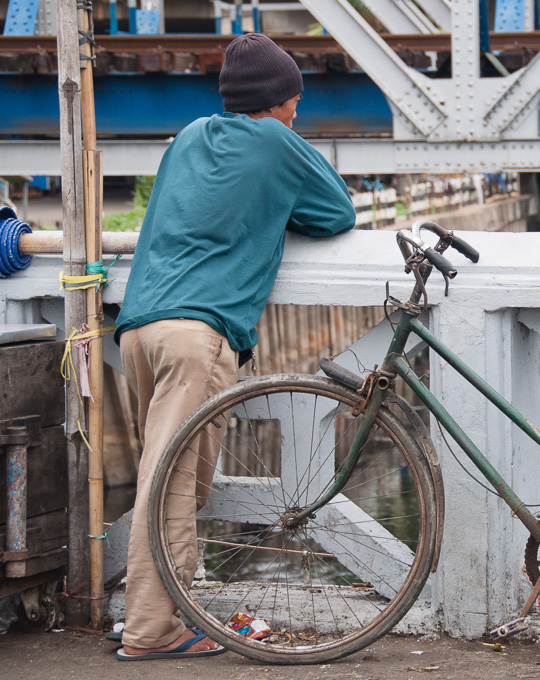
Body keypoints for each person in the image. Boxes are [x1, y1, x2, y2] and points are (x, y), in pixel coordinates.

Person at [112, 33, 356, 661]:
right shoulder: (276, 140)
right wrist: (282, 199)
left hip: (140, 327)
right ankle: (149, 631)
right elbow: (337, 213)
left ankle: (157, 606)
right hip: (198, 333)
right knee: (169, 484)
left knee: (178, 478)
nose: (296, 112)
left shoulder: (191, 135)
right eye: (294, 101)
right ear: (277, 101)